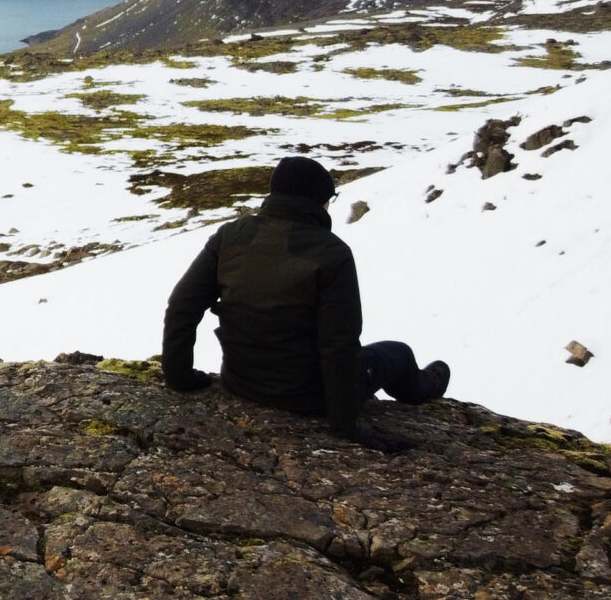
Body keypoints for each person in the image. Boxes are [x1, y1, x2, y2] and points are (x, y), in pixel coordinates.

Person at [161, 155, 449, 453]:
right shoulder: (332, 253)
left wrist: (179, 378)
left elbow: (182, 306)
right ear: (320, 201)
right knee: (398, 353)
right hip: (308, 397)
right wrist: (345, 423)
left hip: (240, 383)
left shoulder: (230, 235)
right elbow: (338, 344)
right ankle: (427, 386)